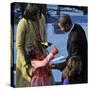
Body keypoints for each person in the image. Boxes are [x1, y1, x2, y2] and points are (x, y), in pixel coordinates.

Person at [16, 4, 47, 87]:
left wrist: (45, 44)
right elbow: (19, 46)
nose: (37, 16)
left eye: (38, 13)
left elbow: (44, 35)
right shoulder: (23, 23)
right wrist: (25, 63)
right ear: (30, 13)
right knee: (28, 83)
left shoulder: (42, 18)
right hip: (27, 60)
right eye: (35, 14)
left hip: (41, 58)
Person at [51, 14, 87, 84]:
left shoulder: (74, 40)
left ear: (67, 25)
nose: (61, 29)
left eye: (62, 27)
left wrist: (56, 66)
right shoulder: (77, 27)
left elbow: (73, 60)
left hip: (79, 71)